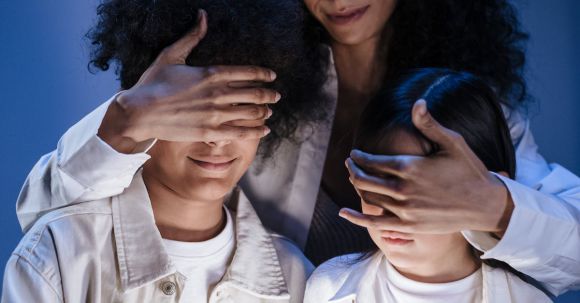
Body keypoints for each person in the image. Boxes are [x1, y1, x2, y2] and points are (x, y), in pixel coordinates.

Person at [14, 0, 580, 297]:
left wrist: (492, 207)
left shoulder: (469, 117)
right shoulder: (247, 92)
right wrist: (128, 118)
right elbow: (48, 221)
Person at [2, 0, 330, 302]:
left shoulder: (298, 280)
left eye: (240, 111)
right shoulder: (58, 256)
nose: (216, 139)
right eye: (196, 114)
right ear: (150, 105)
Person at [304, 68, 552, 303]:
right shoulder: (327, 287)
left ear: (488, 190)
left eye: (417, 192)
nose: (392, 211)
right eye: (377, 185)